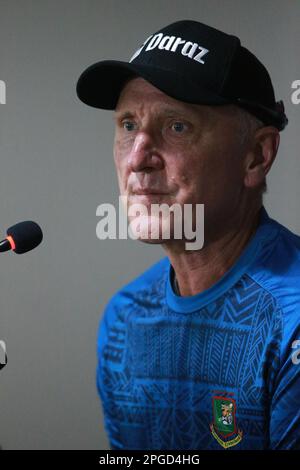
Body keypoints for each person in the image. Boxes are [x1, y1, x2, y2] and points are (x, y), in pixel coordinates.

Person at [76, 20, 300, 450]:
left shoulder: (291, 322)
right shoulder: (123, 320)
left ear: (256, 156)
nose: (138, 159)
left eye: (177, 126)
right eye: (127, 125)